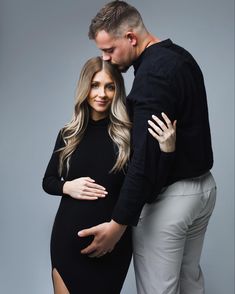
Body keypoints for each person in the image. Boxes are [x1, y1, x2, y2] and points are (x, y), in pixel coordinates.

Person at [78, 1, 217, 294]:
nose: (106, 59)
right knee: (190, 285)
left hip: (173, 200)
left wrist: (117, 226)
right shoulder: (180, 57)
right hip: (203, 190)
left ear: (130, 37)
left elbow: (144, 161)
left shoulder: (152, 76)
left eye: (110, 50)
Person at [42, 56, 176, 294]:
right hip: (67, 243)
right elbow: (48, 181)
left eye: (109, 86)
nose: (101, 94)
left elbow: (151, 188)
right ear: (85, 88)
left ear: (118, 90)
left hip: (112, 246)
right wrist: (67, 187)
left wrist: (167, 151)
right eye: (95, 85)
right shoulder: (68, 134)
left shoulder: (129, 135)